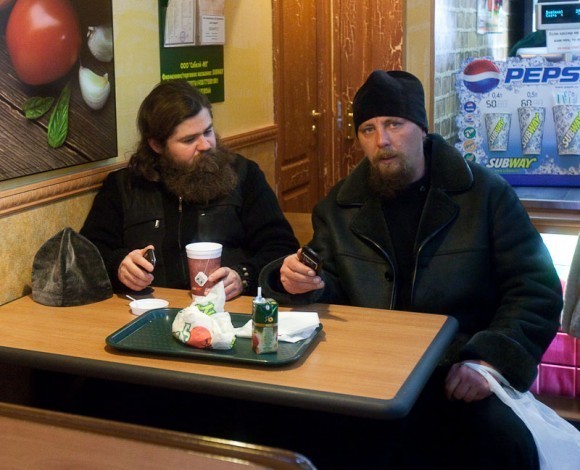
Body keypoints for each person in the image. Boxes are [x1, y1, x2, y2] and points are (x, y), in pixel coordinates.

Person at [260, 70, 563, 468]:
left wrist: (489, 361)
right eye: (368, 129)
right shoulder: (339, 207)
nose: (382, 141)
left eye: (394, 124)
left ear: (422, 128)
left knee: (504, 445)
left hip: (456, 370)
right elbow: (327, 282)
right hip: (367, 371)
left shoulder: (486, 195)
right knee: (290, 430)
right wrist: (295, 281)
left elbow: (536, 289)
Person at [81, 79, 299, 300]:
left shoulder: (244, 175)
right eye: (189, 140)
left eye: (208, 131)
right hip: (150, 309)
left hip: (228, 308)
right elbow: (87, 253)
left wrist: (244, 275)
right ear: (157, 145)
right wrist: (118, 265)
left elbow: (281, 248)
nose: (206, 145)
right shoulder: (124, 187)